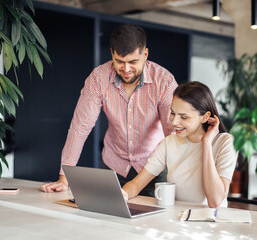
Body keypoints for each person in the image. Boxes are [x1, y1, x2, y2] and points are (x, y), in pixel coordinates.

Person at [41, 24, 178, 195]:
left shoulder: (164, 82)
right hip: (114, 166)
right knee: (107, 219)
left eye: (133, 62)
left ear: (145, 54)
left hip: (153, 170)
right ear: (112, 53)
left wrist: (179, 176)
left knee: (153, 221)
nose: (126, 69)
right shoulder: (98, 78)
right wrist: (64, 178)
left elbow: (173, 134)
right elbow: (80, 127)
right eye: (119, 61)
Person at [122, 81, 237, 208]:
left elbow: (215, 201)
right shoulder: (169, 142)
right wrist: (123, 194)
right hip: (177, 220)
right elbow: (137, 184)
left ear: (205, 117)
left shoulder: (225, 143)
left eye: (183, 117)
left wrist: (206, 144)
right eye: (172, 113)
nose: (174, 122)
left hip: (211, 221)